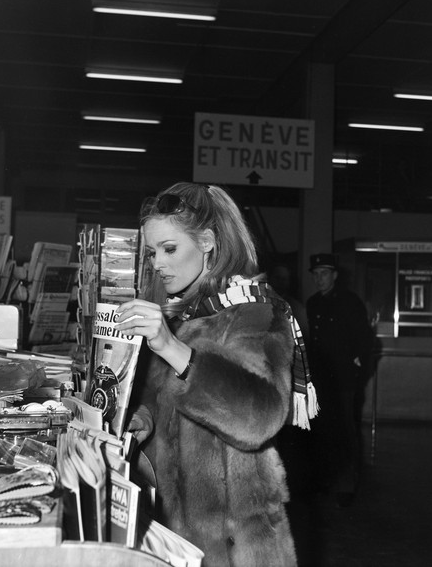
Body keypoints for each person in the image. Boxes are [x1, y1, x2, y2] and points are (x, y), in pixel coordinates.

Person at [114, 182, 298, 567]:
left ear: (208, 242)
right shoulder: (181, 313)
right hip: (178, 537)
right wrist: (144, 418)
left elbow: (260, 418)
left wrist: (172, 348)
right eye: (151, 252)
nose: (157, 263)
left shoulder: (254, 313)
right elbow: (156, 393)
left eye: (169, 249)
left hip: (238, 546)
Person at [306, 253, 372, 507]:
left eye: (324, 273)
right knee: (322, 431)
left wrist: (358, 375)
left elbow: (364, 342)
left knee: (345, 430)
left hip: (343, 381)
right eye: (316, 274)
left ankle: (346, 486)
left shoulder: (349, 302)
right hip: (320, 380)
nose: (319, 278)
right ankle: (325, 480)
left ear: (334, 276)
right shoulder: (312, 304)